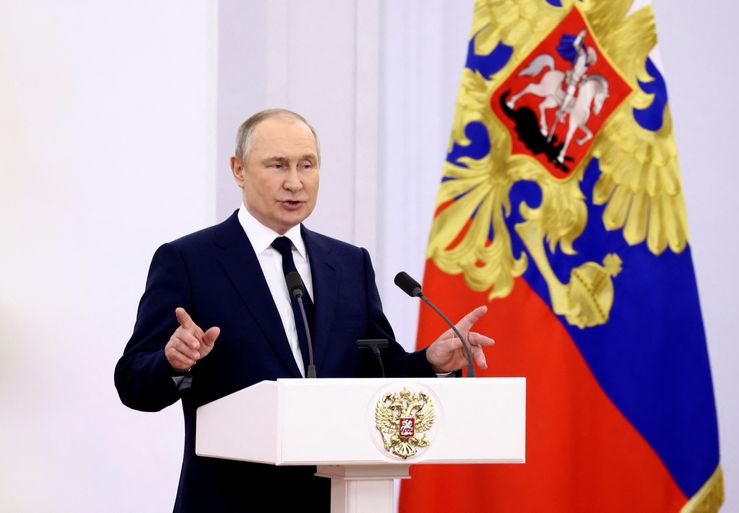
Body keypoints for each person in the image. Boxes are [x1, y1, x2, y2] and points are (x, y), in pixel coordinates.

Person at [114, 108, 494, 513]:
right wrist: (174, 363)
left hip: (335, 498)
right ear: (238, 170)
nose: (294, 182)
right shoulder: (189, 260)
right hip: (228, 501)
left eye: (306, 165)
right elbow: (133, 382)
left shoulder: (349, 264)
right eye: (277, 165)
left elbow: (376, 371)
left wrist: (431, 363)